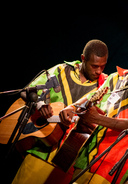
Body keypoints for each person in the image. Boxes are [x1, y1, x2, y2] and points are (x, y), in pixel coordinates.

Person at [59, 34, 128, 184]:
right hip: (86, 152)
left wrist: (98, 119)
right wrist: (72, 108)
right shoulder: (115, 77)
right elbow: (92, 97)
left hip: (111, 162)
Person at [11, 39, 109, 184]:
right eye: (94, 66)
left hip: (69, 157)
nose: (99, 71)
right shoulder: (61, 70)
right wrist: (40, 105)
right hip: (41, 149)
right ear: (83, 58)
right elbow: (27, 91)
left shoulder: (104, 85)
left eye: (103, 66)